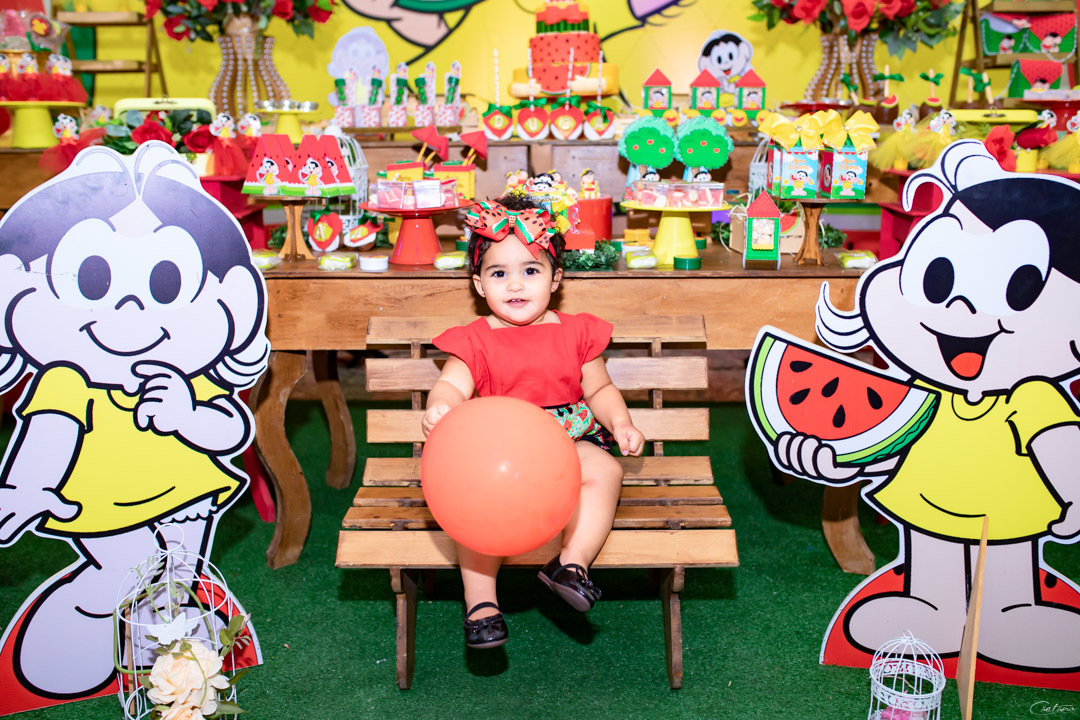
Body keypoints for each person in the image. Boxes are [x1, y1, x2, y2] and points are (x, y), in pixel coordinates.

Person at [780, 141, 1080, 670]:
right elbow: (877, 435)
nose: (962, 307)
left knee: (1004, 582)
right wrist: (831, 457)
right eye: (938, 279)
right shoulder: (916, 390)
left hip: (1008, 513)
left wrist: (1072, 497)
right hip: (925, 505)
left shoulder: (1030, 393)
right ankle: (932, 607)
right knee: (932, 574)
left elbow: (1059, 442)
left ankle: (1010, 612)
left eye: (1018, 288)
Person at [0, 142, 267, 697]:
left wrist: (188, 416)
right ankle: (78, 626)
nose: (128, 309)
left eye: (165, 284)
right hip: (104, 503)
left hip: (188, 495)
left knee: (175, 580)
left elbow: (234, 429)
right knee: (130, 568)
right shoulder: (67, 378)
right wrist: (25, 489)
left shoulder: (186, 371)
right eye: (94, 280)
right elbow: (50, 434)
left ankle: (164, 661)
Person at [422, 193, 646, 649]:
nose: (515, 285)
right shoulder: (475, 340)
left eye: (530, 271)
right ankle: (481, 602)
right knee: (475, 503)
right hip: (498, 455)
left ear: (555, 278)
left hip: (568, 444)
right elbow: (451, 386)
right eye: (498, 274)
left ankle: (570, 563)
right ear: (479, 285)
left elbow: (599, 390)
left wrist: (621, 422)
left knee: (606, 470)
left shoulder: (576, 332)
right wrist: (440, 406)